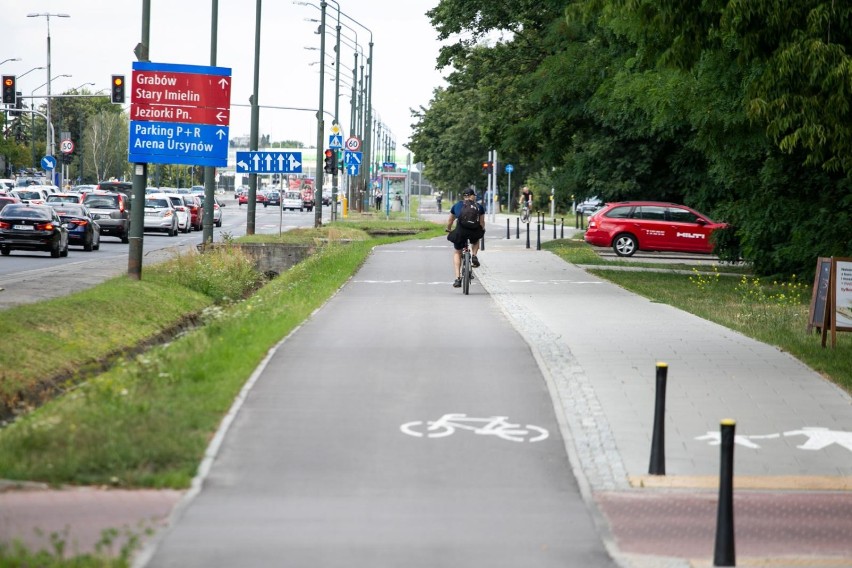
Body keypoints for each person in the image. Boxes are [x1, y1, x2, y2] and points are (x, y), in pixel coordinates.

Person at [446, 188, 486, 288]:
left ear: (464, 196)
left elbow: (450, 221)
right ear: (472, 196)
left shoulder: (457, 205)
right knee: (476, 240)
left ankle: (458, 278)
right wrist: (482, 230)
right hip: (473, 231)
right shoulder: (479, 206)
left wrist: (448, 229)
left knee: (457, 252)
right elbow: (482, 222)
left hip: (460, 231)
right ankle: (474, 255)